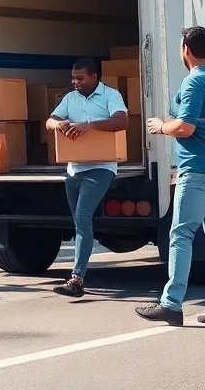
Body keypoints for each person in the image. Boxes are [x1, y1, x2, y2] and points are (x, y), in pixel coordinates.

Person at [136, 26, 205, 327]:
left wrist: (160, 125)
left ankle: (171, 304)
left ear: (185, 49)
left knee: (180, 235)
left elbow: (185, 127)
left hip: (198, 170)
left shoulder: (195, 82)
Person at [42, 61, 127, 297]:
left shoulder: (111, 95)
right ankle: (77, 277)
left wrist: (89, 126)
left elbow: (122, 121)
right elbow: (49, 121)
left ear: (94, 77)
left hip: (101, 167)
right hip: (74, 169)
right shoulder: (70, 98)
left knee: (82, 216)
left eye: (80, 78)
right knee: (80, 222)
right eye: (73, 78)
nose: (75, 83)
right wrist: (59, 123)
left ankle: (77, 278)